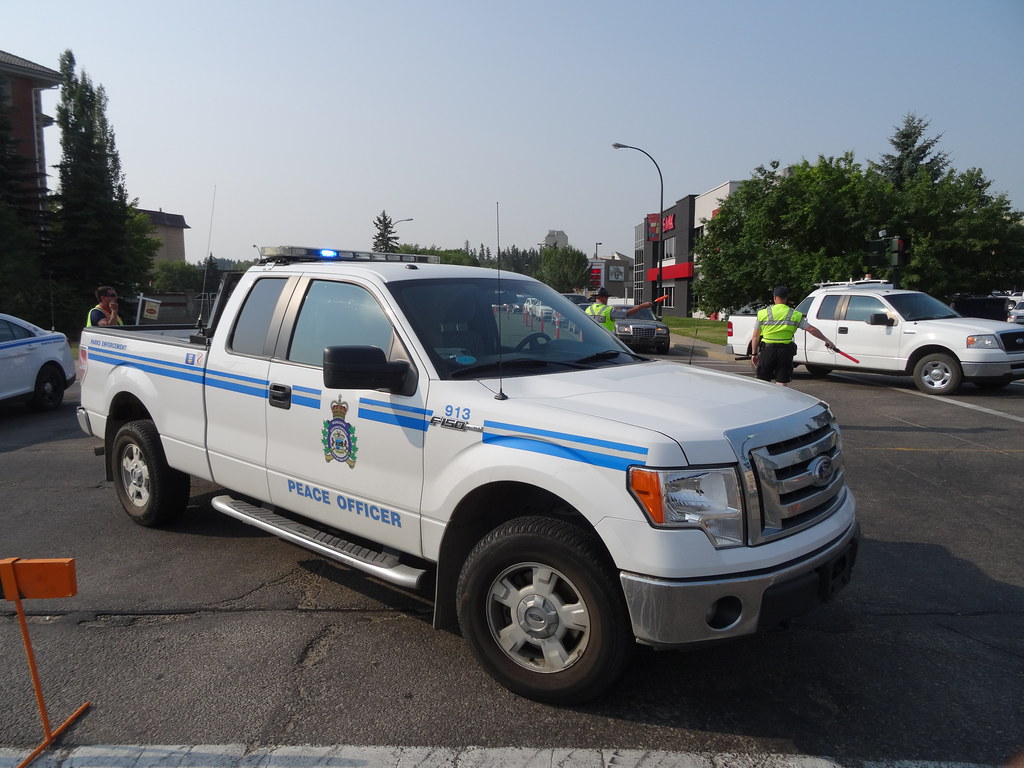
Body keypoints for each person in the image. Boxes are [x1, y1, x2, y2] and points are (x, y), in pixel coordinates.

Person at [751, 285, 837, 386]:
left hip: (767, 351)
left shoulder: (762, 313)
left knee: (763, 382)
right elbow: (811, 329)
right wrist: (826, 340)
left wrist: (754, 354)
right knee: (782, 383)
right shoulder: (795, 314)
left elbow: (755, 336)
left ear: (774, 297)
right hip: (785, 352)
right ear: (787, 298)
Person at [585, 287, 653, 332]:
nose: (607, 300)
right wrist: (642, 306)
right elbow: (628, 313)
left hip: (591, 339)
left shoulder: (588, 309)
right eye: (607, 298)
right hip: (606, 339)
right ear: (604, 297)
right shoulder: (609, 309)